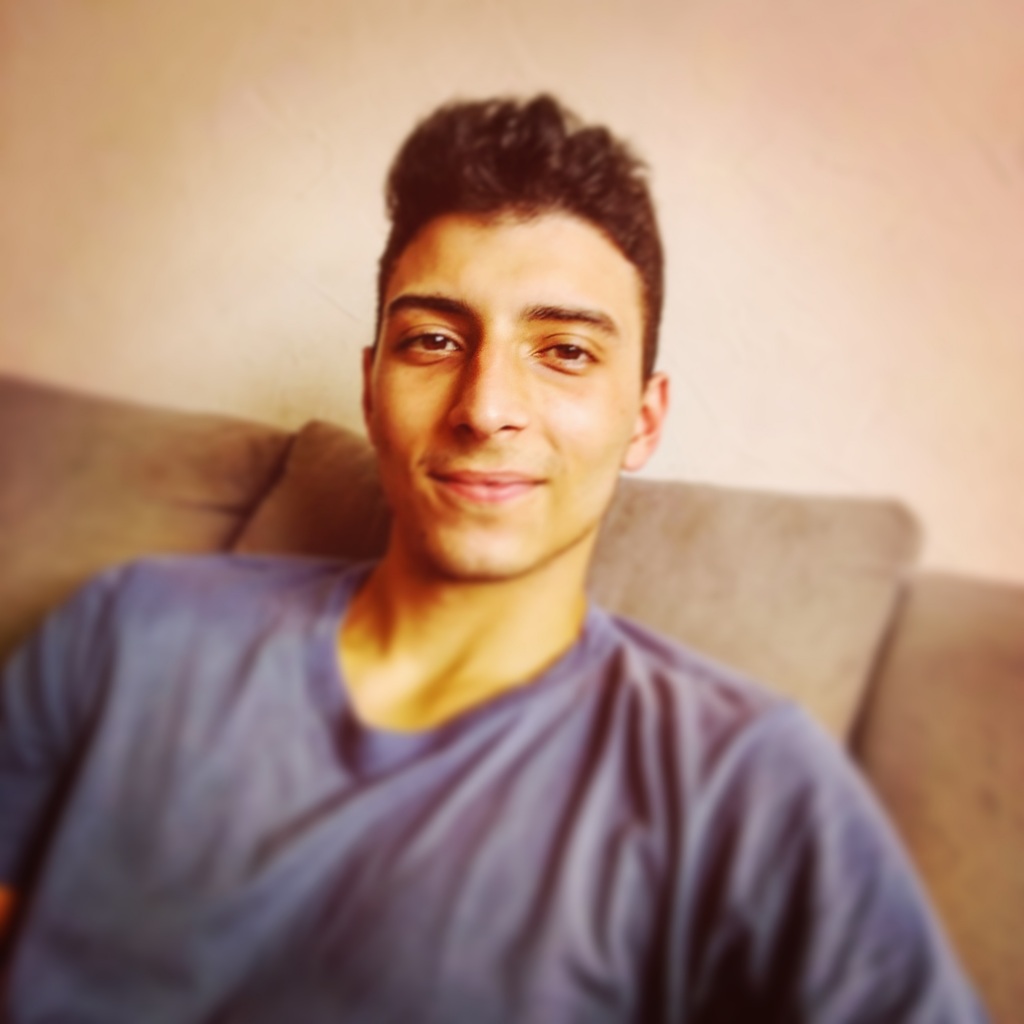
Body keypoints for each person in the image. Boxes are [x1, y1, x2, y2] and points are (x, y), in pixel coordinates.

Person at [0, 95, 986, 1022]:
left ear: (643, 420)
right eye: (434, 340)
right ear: (371, 385)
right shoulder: (134, 625)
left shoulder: (746, 778)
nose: (484, 407)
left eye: (565, 352)